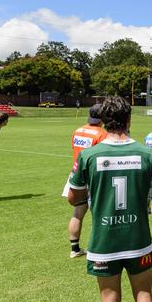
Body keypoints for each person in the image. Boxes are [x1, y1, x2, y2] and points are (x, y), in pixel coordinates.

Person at [67, 96, 152, 302]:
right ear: (129, 120)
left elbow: (73, 197)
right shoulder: (147, 154)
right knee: (144, 295)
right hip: (138, 238)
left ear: (103, 121)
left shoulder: (88, 156)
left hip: (104, 240)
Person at [62, 104, 107, 258]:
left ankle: (74, 249)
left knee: (78, 212)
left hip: (76, 174)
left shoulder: (78, 130)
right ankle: (99, 246)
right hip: (93, 177)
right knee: (100, 213)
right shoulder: (102, 134)